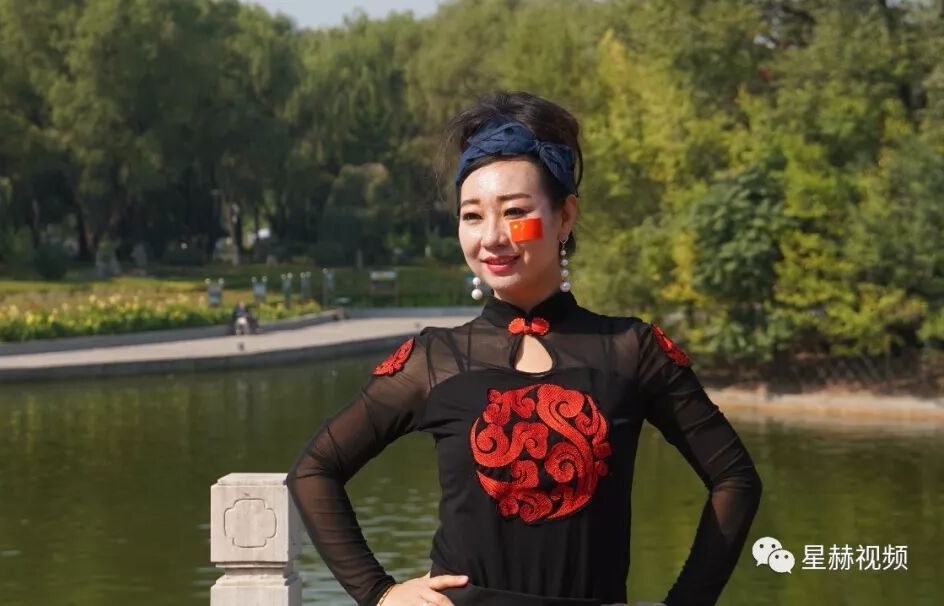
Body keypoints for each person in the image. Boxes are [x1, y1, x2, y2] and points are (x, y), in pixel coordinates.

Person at [285, 91, 763, 606]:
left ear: (565, 217)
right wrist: (379, 593)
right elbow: (313, 471)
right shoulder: (435, 360)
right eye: (472, 216)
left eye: (515, 211)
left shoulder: (631, 350)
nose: (492, 237)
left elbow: (735, 478)